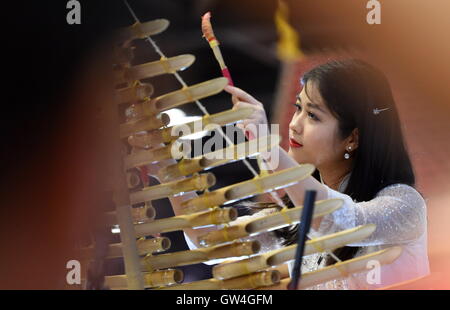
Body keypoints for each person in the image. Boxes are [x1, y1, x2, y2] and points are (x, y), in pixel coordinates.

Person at [149, 59, 430, 289]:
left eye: (313, 116)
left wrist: (268, 149)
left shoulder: (405, 205)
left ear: (352, 139)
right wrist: (168, 172)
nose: (294, 125)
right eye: (298, 108)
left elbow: (335, 221)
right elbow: (210, 242)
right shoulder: (292, 218)